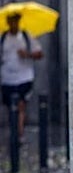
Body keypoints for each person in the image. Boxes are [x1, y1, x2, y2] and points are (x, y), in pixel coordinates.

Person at [1, 12, 44, 141]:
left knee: (21, 104)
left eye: (15, 21)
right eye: (11, 21)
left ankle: (18, 134)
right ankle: (15, 130)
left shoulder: (26, 36)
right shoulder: (3, 37)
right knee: (11, 106)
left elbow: (40, 54)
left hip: (24, 77)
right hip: (7, 78)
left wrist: (28, 54)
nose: (13, 23)